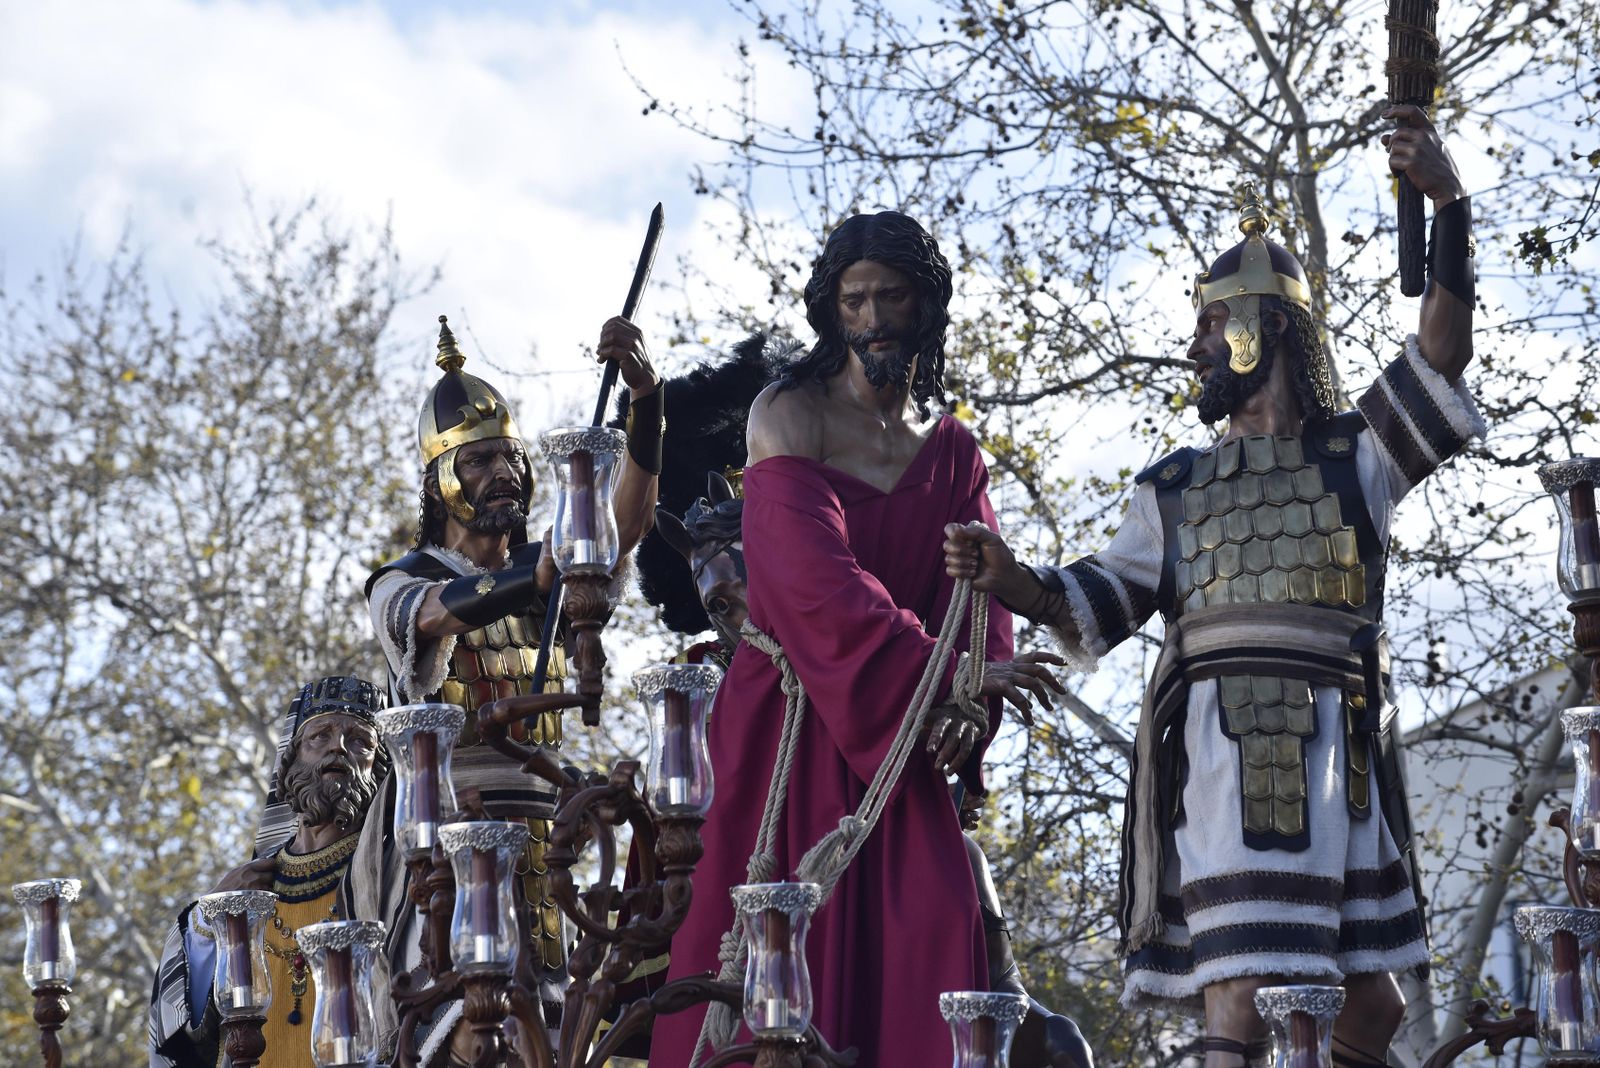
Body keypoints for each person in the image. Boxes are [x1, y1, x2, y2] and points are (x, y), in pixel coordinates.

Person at [944, 107, 1480, 1066]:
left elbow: (1438, 357)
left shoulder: (1356, 457)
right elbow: (1097, 598)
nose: (1193, 345)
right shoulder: (1175, 489)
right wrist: (1014, 581)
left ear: (1266, 324)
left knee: (1374, 1013)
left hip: (1340, 766)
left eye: (1209, 322)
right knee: (1234, 994)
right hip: (1225, 757)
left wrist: (1448, 207)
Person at [651, 210, 1067, 1066]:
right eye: (856, 300)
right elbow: (814, 588)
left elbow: (982, 594)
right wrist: (949, 677)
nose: (874, 318)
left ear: (926, 307)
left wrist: (966, 711)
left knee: (939, 931)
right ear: (831, 311)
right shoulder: (788, 416)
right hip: (791, 736)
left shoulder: (954, 452)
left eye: (892, 297)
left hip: (903, 743)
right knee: (767, 961)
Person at [362, 313, 662, 1011]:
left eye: (511, 458)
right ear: (439, 481)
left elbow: (626, 523)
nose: (503, 474)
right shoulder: (399, 582)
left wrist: (647, 399)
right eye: (477, 460)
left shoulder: (550, 565)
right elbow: (434, 615)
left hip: (551, 841)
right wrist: (537, 577)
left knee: (558, 1022)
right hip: (446, 852)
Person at [148, 676, 390, 1068]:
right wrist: (210, 917)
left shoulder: (391, 876)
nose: (338, 748)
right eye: (319, 736)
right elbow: (179, 1032)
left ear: (380, 766)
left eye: (360, 740)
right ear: (290, 759)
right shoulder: (247, 888)